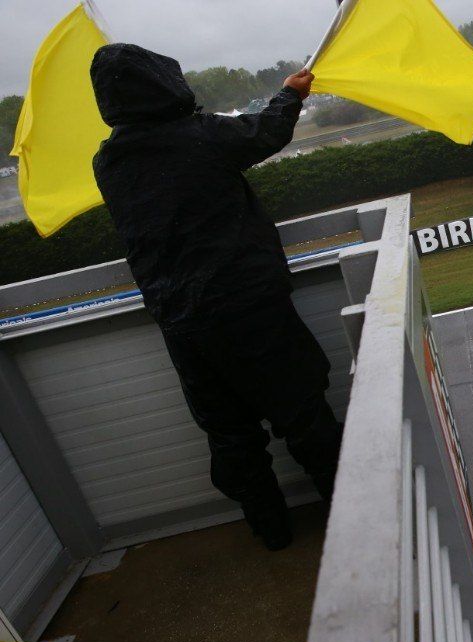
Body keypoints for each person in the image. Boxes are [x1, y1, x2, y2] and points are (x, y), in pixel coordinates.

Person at [90, 44, 342, 551]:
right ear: (164, 83)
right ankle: (347, 518)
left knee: (230, 434)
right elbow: (265, 133)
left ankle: (271, 533)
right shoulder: (198, 136)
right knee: (303, 412)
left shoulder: (108, 161)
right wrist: (290, 94)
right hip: (248, 301)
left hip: (180, 320)